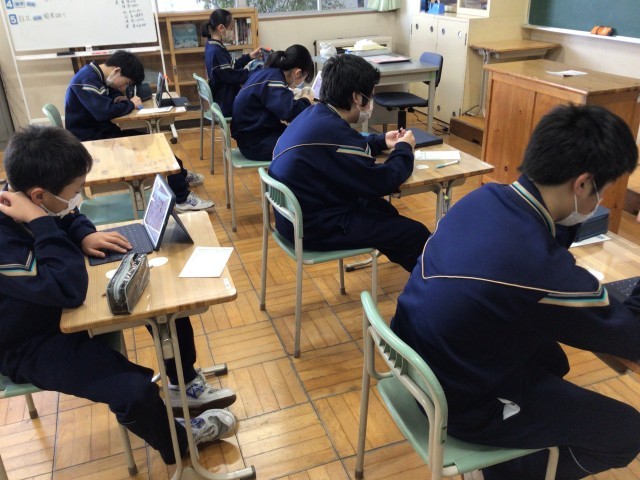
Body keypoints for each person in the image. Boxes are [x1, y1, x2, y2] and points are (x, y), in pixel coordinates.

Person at [391, 104, 640, 479]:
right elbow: (630, 338)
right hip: (460, 402)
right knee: (626, 432)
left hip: (421, 364)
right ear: (582, 184)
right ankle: (506, 473)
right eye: (601, 191)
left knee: (552, 358)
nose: (599, 202)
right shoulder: (536, 265)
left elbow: (539, 249)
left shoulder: (486, 198)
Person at [0, 126, 237, 465]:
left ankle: (182, 382)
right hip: (27, 341)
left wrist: (83, 234)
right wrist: (41, 223)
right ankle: (179, 442)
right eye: (75, 191)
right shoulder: (12, 234)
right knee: (133, 390)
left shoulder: (28, 197)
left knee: (163, 305)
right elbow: (68, 288)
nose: (77, 199)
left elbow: (67, 215)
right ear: (38, 197)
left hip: (58, 309)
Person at [269, 54, 430, 272]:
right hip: (314, 227)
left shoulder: (315, 114)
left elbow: (344, 146)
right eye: (370, 96)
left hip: (296, 217)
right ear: (356, 97)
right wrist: (404, 148)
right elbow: (384, 181)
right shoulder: (333, 131)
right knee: (414, 234)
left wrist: (381, 140)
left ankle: (419, 271)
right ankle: (436, 282)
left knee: (383, 211)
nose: (370, 103)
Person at [65, 50, 213, 212]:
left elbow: (112, 93)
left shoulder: (97, 75)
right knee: (158, 150)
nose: (124, 87)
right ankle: (182, 199)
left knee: (158, 144)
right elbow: (104, 111)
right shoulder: (86, 81)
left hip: (102, 133)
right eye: (126, 82)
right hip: (93, 143)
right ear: (117, 71)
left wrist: (122, 100)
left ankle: (180, 175)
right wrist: (130, 104)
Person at [231, 44, 315, 161]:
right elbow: (290, 113)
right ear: (298, 73)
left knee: (301, 135)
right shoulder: (274, 80)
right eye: (304, 78)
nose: (302, 81)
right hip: (255, 144)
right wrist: (306, 100)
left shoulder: (269, 72)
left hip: (252, 136)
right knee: (308, 144)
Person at [202, 8, 262, 117]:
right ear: (221, 28)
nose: (233, 33)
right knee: (260, 105)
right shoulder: (216, 52)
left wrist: (249, 56)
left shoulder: (211, 45)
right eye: (231, 29)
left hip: (221, 98)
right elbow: (233, 76)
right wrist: (257, 72)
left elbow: (231, 66)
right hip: (226, 103)